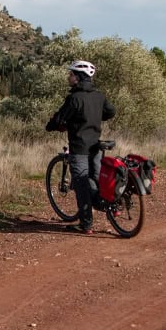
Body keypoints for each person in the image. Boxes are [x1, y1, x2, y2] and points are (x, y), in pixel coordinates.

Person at [46, 60, 116, 234]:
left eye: (71, 74)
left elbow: (60, 119)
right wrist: (96, 115)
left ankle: (86, 224)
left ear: (78, 77)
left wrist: (52, 125)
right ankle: (111, 206)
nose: (68, 77)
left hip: (79, 147)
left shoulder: (75, 98)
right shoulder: (99, 96)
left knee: (81, 182)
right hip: (96, 145)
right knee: (97, 178)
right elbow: (111, 112)